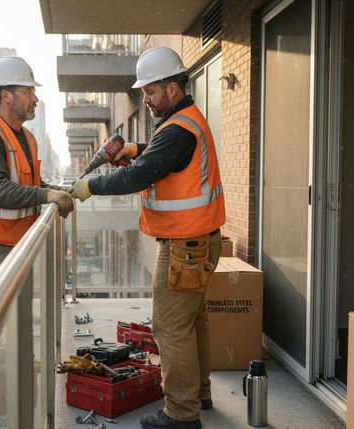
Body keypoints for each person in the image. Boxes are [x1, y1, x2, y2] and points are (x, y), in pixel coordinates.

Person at [69, 47, 225, 429]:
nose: (146, 99)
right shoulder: (185, 120)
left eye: (151, 92)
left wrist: (91, 186)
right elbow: (163, 161)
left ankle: (181, 414)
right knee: (193, 322)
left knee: (170, 328)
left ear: (172, 88)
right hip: (200, 241)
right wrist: (137, 150)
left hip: (183, 246)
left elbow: (138, 177)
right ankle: (199, 394)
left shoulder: (176, 128)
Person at [0, 56, 74, 287]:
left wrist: (60, 191)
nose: (35, 98)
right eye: (28, 92)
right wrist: (47, 196)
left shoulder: (25, 136)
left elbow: (30, 182)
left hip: (18, 244)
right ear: (6, 96)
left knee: (15, 317)